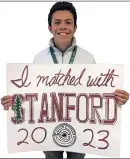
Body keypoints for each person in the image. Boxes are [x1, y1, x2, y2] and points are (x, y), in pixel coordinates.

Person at [1, 1, 129, 159]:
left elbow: (98, 93)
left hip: (80, 127)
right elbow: (32, 93)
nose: (63, 26)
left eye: (68, 22)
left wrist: (116, 98)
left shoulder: (87, 58)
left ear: (75, 27)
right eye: (57, 22)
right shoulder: (39, 58)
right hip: (47, 126)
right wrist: (14, 100)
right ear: (50, 27)